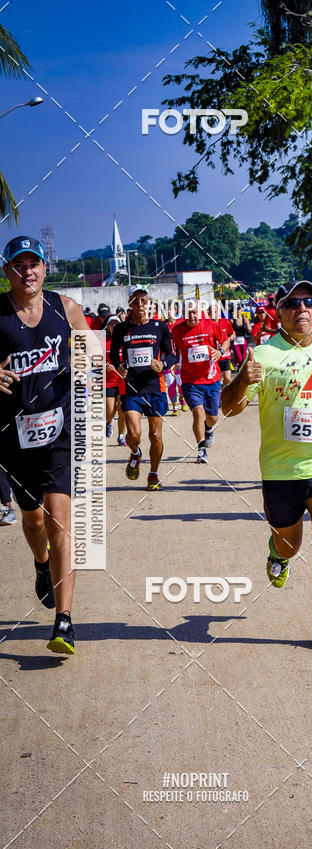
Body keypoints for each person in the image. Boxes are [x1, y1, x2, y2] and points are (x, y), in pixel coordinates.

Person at [221, 278, 312, 651]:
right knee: (291, 546)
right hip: (281, 470)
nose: (301, 308)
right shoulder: (263, 355)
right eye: (292, 303)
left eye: (309, 302)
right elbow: (228, 407)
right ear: (279, 313)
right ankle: (276, 551)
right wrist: (241, 380)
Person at [0, 235, 91, 653]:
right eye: (18, 265)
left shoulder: (64, 308)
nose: (28, 271)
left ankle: (64, 622)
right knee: (33, 520)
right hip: (14, 435)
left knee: (59, 522)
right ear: (7, 273)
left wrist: (87, 369)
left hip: (59, 430)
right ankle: (41, 566)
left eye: (33, 263)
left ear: (44, 268)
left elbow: (91, 350)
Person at [109, 285, 176, 490]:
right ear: (129, 303)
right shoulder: (121, 328)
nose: (140, 304)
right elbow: (113, 354)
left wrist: (163, 364)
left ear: (149, 302)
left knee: (155, 436)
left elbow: (172, 355)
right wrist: (119, 366)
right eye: (135, 300)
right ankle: (136, 452)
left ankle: (153, 474)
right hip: (131, 388)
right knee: (134, 434)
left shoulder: (159, 327)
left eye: (143, 300)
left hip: (155, 388)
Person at [171, 301, 224, 463]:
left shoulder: (211, 325)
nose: (192, 316)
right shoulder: (177, 330)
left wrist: (220, 351)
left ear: (200, 312)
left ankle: (208, 429)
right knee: (198, 412)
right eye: (188, 313)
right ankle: (201, 449)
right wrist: (174, 362)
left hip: (211, 378)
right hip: (190, 380)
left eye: (194, 312)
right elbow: (174, 351)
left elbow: (226, 340)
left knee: (212, 417)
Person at [105, 315, 126, 442]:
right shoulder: (103, 342)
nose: (113, 326)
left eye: (116, 324)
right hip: (108, 382)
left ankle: (121, 436)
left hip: (122, 381)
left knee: (122, 409)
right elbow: (95, 360)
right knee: (110, 411)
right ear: (107, 327)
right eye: (111, 324)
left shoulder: (125, 340)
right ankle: (109, 422)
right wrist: (104, 366)